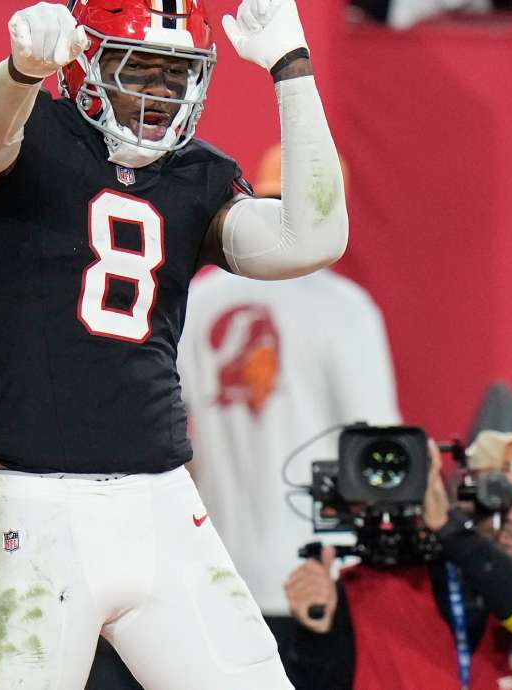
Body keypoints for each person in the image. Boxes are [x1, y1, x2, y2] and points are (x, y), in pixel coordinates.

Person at [0, 0, 348, 687]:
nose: (160, 92)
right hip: (38, 510)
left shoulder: (196, 174)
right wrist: (17, 74)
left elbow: (314, 239)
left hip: (161, 504)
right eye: (141, 68)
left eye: (177, 72)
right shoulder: (20, 122)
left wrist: (292, 67)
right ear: (87, 58)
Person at [177, 143, 400, 665]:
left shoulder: (198, 300)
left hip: (214, 575)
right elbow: (377, 455)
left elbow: (170, 441)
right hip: (317, 581)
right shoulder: (345, 309)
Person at [285, 431, 512, 689]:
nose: (511, 515)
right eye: (494, 494)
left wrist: (450, 529)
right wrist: (315, 637)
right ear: (462, 498)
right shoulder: (367, 591)